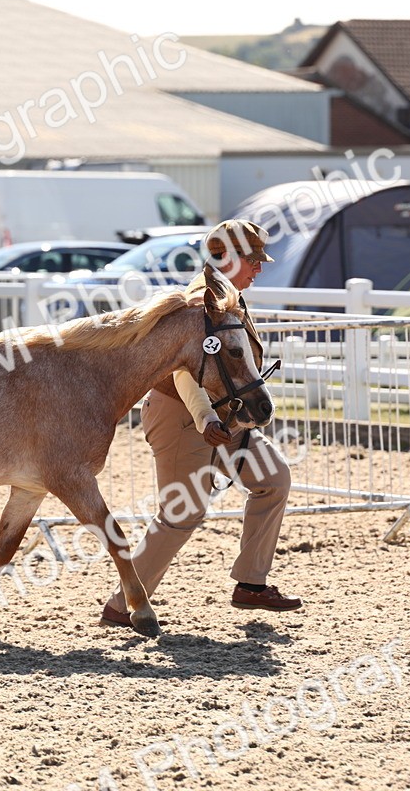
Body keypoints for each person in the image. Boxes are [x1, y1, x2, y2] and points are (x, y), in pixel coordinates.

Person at [101, 219, 301, 628]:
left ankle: (251, 583)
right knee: (181, 514)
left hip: (227, 415)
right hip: (184, 416)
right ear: (226, 258)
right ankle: (123, 605)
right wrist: (205, 416)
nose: (258, 268)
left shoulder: (228, 297)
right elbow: (181, 372)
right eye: (252, 260)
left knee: (273, 478)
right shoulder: (198, 302)